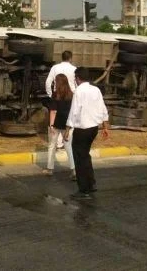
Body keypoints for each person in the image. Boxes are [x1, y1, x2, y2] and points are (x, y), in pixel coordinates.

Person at [66, 67, 110, 200]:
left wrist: (67, 129)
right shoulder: (95, 89)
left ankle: (83, 189)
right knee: (85, 155)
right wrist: (105, 126)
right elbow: (102, 108)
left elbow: (74, 111)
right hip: (93, 128)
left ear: (78, 78)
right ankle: (91, 184)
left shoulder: (79, 91)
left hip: (82, 129)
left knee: (79, 158)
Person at [43, 74, 76, 179]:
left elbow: (53, 111)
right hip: (67, 124)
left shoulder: (55, 94)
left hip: (56, 123)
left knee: (52, 146)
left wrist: (51, 125)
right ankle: (73, 169)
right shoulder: (72, 95)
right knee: (69, 147)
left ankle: (50, 169)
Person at [45, 50, 76, 149]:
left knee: (56, 116)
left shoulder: (55, 67)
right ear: (70, 58)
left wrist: (51, 94)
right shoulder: (74, 69)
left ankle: (58, 142)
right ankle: (68, 139)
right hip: (70, 96)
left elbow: (48, 82)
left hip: (57, 94)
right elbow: (76, 83)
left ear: (61, 57)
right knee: (70, 116)